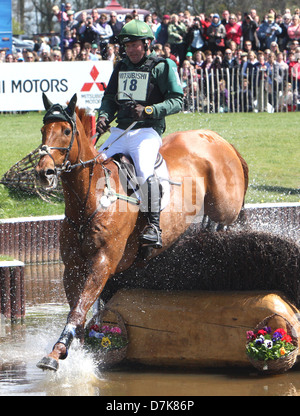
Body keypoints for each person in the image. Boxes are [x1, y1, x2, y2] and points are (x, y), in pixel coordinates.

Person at [96, 20, 183, 249]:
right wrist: (103, 116)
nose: (131, 50)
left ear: (146, 44)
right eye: (127, 46)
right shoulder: (121, 66)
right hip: (119, 132)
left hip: (147, 132)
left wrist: (149, 110)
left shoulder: (162, 66)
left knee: (144, 171)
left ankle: (154, 227)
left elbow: (177, 100)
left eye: (135, 45)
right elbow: (109, 97)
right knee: (94, 163)